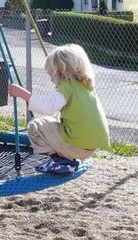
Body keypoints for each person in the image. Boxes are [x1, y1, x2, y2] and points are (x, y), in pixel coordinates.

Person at [8, 44, 109, 174]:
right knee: (53, 120)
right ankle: (66, 159)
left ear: (60, 72)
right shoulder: (86, 86)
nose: (51, 79)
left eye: (51, 74)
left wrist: (22, 93)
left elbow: (47, 107)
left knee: (35, 126)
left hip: (75, 146)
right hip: (92, 146)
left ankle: (61, 161)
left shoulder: (66, 87)